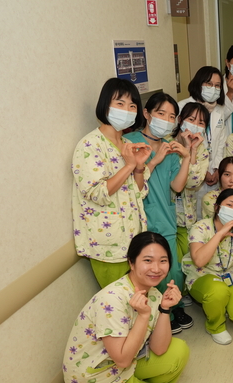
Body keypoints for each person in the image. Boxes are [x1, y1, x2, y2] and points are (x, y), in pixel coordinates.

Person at [60, 231, 190, 383]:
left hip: (126, 365)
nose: (156, 268)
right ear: (131, 262)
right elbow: (122, 360)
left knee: (179, 350)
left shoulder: (154, 294)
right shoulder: (112, 300)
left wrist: (165, 308)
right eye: (148, 260)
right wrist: (144, 316)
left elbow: (159, 348)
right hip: (96, 380)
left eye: (163, 261)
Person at [125, 93, 196, 334]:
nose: (166, 120)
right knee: (147, 273)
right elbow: (130, 183)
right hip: (141, 220)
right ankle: (157, 316)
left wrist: (186, 157)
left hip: (165, 219)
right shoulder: (130, 142)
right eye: (161, 113)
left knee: (171, 270)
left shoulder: (171, 147)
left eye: (171, 116)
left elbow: (177, 186)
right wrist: (155, 160)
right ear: (147, 114)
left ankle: (174, 308)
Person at [72, 78, 152, 288]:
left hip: (134, 240)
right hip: (109, 246)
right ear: (105, 105)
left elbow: (139, 192)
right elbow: (97, 193)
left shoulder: (128, 144)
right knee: (119, 303)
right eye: (120, 103)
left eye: (132, 105)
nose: (127, 110)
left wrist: (139, 168)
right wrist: (129, 165)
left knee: (140, 300)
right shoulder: (89, 145)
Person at [183, 189, 233, 345]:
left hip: (230, 276)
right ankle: (215, 327)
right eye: (229, 205)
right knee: (218, 291)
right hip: (202, 275)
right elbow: (199, 261)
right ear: (217, 207)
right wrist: (219, 234)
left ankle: (221, 305)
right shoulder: (200, 227)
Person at [178, 65, 233, 219]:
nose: (213, 88)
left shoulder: (219, 109)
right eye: (209, 84)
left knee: (212, 213)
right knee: (192, 214)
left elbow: (221, 142)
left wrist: (217, 168)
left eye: (217, 85)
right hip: (192, 170)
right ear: (199, 83)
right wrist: (202, 171)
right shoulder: (183, 107)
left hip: (214, 173)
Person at [171, 103, 211, 295]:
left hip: (187, 215)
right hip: (167, 214)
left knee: (185, 259)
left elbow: (193, 182)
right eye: (191, 119)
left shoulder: (202, 150)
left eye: (201, 122)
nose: (195, 125)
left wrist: (192, 151)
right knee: (170, 260)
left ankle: (183, 293)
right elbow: (175, 183)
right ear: (180, 120)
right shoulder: (167, 145)